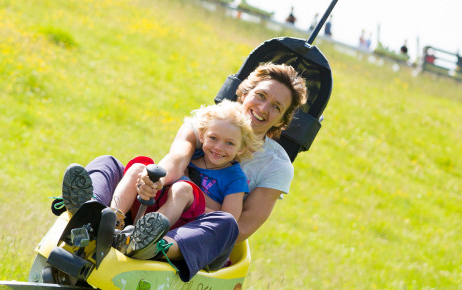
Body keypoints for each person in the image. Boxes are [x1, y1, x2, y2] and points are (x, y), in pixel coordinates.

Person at [58, 63, 308, 282]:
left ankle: (154, 246)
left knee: (225, 223)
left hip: (198, 236)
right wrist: (154, 181)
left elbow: (240, 228)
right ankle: (93, 216)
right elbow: (176, 162)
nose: (264, 108)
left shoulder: (277, 166)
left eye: (276, 107)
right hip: (160, 209)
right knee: (109, 163)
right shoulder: (204, 122)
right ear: (244, 93)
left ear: (281, 120)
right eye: (260, 95)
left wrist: (194, 204)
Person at [109, 101, 262, 233]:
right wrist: (154, 182)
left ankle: (143, 235)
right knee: (138, 168)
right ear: (201, 136)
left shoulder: (235, 178)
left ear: (241, 148)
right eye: (213, 138)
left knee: (183, 189)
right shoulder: (192, 157)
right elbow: (172, 165)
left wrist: (194, 203)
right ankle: (112, 220)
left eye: (229, 143)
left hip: (186, 224)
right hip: (153, 205)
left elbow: (228, 220)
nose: (219, 147)